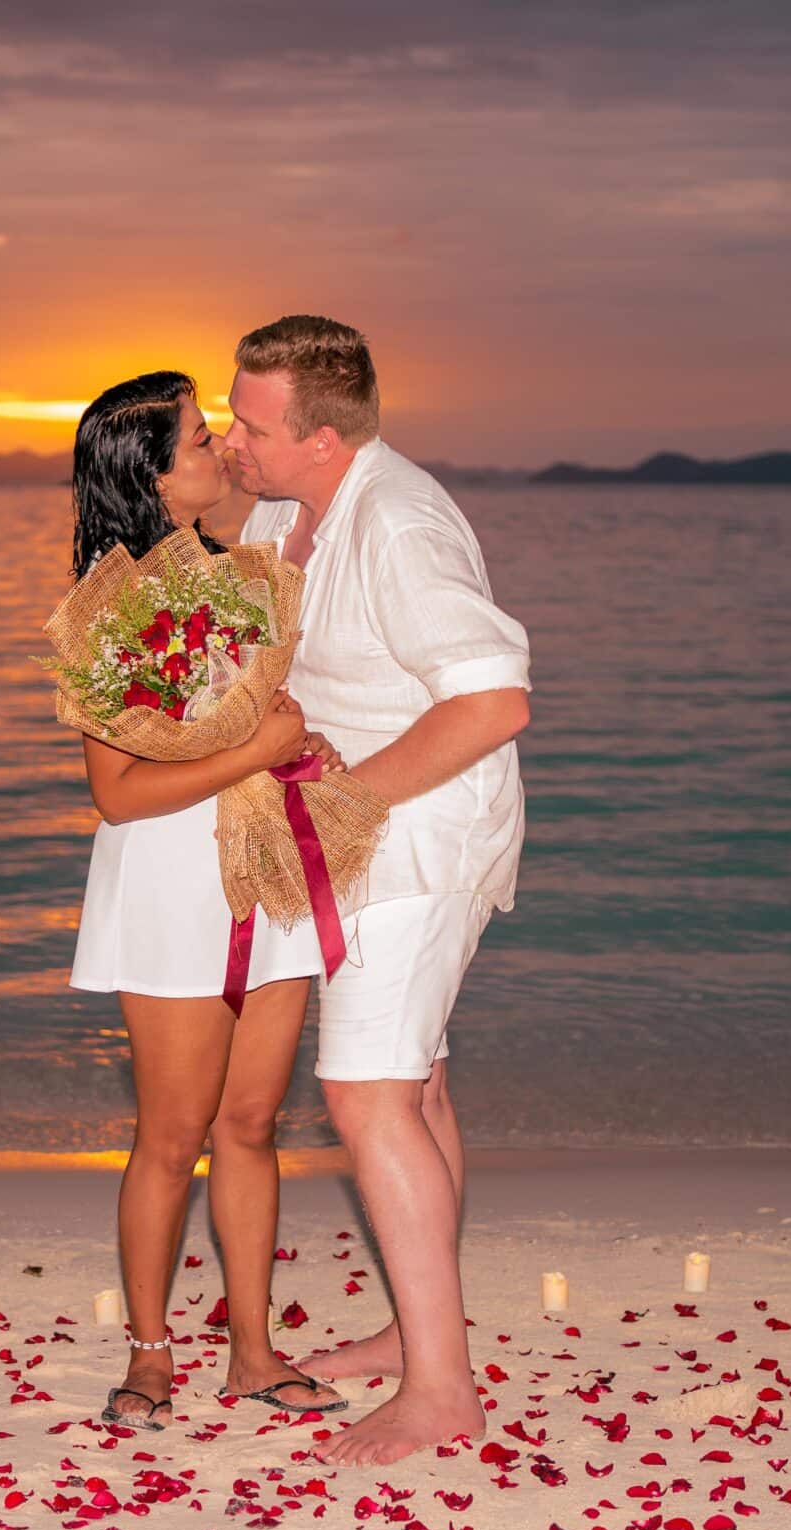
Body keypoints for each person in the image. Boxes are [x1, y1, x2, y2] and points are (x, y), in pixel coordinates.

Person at [221, 316, 533, 1467]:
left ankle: (441, 1392)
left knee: (363, 1094)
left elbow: (492, 700)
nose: (232, 439)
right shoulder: (277, 512)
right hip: (352, 836)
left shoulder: (398, 523)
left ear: (321, 436)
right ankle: (420, 1329)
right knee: (418, 1083)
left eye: (250, 425)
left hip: (419, 836)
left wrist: (350, 803)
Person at [64, 370, 349, 1430]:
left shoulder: (245, 573)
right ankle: (147, 1354)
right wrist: (252, 748)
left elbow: (259, 721)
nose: (221, 452)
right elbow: (119, 794)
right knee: (169, 1133)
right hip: (170, 885)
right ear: (148, 474)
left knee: (249, 1124)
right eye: (196, 440)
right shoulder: (109, 605)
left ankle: (254, 1353)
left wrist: (292, 746)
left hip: (263, 870)